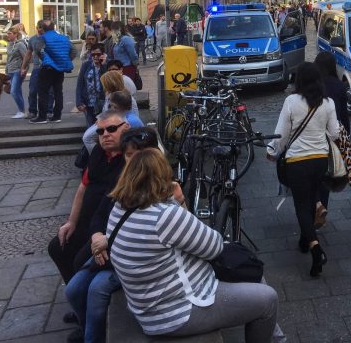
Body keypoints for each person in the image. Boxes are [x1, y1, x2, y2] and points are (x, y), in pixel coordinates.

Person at [108, 148, 279, 342]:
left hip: (148, 304)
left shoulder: (118, 208)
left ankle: (279, 339)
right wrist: (178, 201)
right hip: (178, 311)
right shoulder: (165, 215)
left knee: (249, 270)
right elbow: (214, 247)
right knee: (268, 299)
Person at [64, 127, 160, 343]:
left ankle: (93, 338)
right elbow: (100, 214)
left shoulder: (160, 183)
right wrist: (97, 236)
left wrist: (105, 243)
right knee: (73, 289)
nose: (134, 161)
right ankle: (86, 328)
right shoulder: (121, 180)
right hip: (106, 251)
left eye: (139, 155)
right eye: (129, 155)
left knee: (97, 290)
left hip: (130, 258)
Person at [268, 62, 341, 277]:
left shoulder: (291, 101)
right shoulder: (327, 103)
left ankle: (315, 247)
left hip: (297, 161)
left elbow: (281, 132)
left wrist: (272, 151)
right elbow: (335, 133)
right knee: (311, 201)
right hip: (320, 161)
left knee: (301, 205)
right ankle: (304, 239)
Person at [48, 112, 130, 284]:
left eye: (112, 129)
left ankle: (81, 297)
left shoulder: (130, 158)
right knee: (57, 248)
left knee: (80, 261)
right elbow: (83, 188)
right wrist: (71, 222)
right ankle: (76, 296)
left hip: (108, 228)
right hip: (88, 221)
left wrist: (100, 236)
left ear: (126, 128)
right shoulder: (98, 153)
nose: (105, 134)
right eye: (100, 132)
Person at [313, 51, 350, 228]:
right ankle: (322, 208)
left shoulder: (313, 85)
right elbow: (343, 116)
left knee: (311, 175)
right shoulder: (339, 86)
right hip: (331, 136)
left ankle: (315, 205)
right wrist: (346, 138)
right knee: (326, 174)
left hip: (313, 134)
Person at [30, 20, 75, 124]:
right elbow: (73, 51)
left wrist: (46, 60)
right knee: (58, 92)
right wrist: (65, 60)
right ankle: (57, 116)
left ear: (43, 28)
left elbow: (37, 49)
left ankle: (42, 117)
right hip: (60, 69)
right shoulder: (64, 38)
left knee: (43, 92)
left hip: (47, 68)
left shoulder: (43, 38)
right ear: (54, 27)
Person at [21, 20, 54, 120]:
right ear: (37, 28)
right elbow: (28, 54)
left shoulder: (50, 38)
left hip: (49, 67)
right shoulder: (33, 39)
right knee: (33, 90)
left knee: (50, 91)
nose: (40, 30)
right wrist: (23, 67)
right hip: (37, 68)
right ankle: (32, 111)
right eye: (39, 27)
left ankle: (49, 111)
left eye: (42, 28)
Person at [75, 44, 106, 127]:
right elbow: (80, 84)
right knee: (90, 128)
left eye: (98, 54)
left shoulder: (106, 66)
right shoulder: (86, 65)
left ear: (103, 54)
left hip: (103, 103)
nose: (95, 56)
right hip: (89, 103)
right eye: (93, 54)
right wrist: (79, 102)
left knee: (102, 127)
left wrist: (104, 64)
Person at [5, 25, 28, 118]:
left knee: (14, 91)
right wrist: (6, 70)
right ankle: (21, 111)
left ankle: (21, 111)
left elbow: (26, 58)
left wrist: (24, 69)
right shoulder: (8, 45)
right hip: (10, 71)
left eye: (9, 34)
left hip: (18, 71)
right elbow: (8, 58)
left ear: (15, 34)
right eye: (7, 34)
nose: (8, 35)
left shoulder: (20, 44)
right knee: (17, 91)